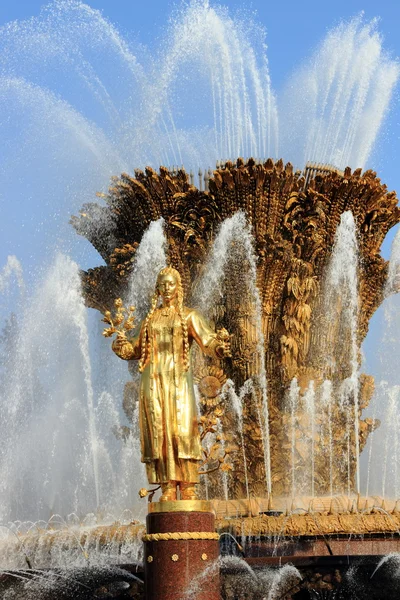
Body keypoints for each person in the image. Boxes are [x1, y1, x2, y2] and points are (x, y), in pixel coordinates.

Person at [112, 266, 230, 502]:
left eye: (171, 284)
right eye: (162, 284)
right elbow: (134, 348)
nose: (166, 289)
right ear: (157, 288)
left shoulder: (188, 316)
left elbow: (207, 341)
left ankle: (188, 485)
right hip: (153, 381)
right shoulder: (149, 321)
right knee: (160, 432)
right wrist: (120, 345)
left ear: (178, 288)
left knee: (182, 429)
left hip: (179, 382)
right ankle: (167, 485)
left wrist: (219, 346)